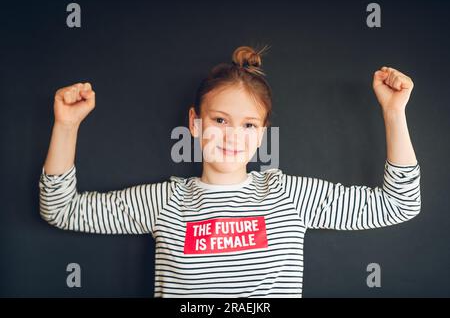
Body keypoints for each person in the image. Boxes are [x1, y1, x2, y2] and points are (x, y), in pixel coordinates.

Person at [39, 45, 421, 298]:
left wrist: (394, 112)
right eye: (220, 119)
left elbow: (398, 204)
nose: (232, 136)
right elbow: (60, 209)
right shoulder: (163, 202)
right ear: (195, 123)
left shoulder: (287, 196)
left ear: (262, 134)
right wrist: (66, 126)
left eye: (249, 125)